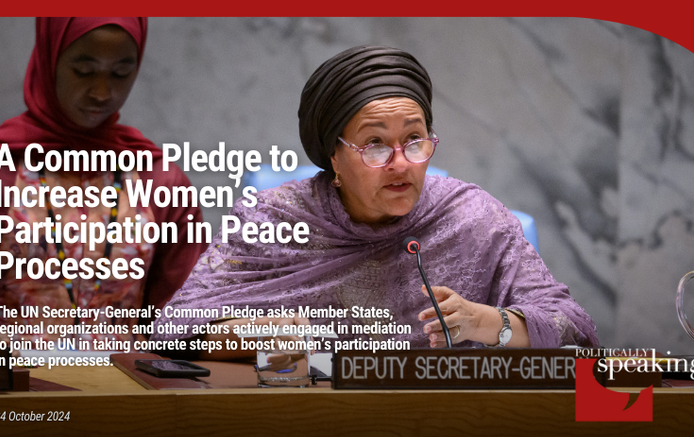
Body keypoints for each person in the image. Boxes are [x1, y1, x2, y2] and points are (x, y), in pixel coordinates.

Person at [151, 45, 599, 358]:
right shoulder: (272, 219)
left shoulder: (473, 218)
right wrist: (256, 335)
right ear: (333, 156)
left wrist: (486, 322)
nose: (401, 164)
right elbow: (172, 330)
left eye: (415, 140)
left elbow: (575, 330)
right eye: (375, 145)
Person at [0, 18, 206, 347]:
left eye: (121, 74)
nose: (102, 93)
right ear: (49, 58)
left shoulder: (160, 180)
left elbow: (186, 321)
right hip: (14, 378)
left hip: (125, 379)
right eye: (83, 71)